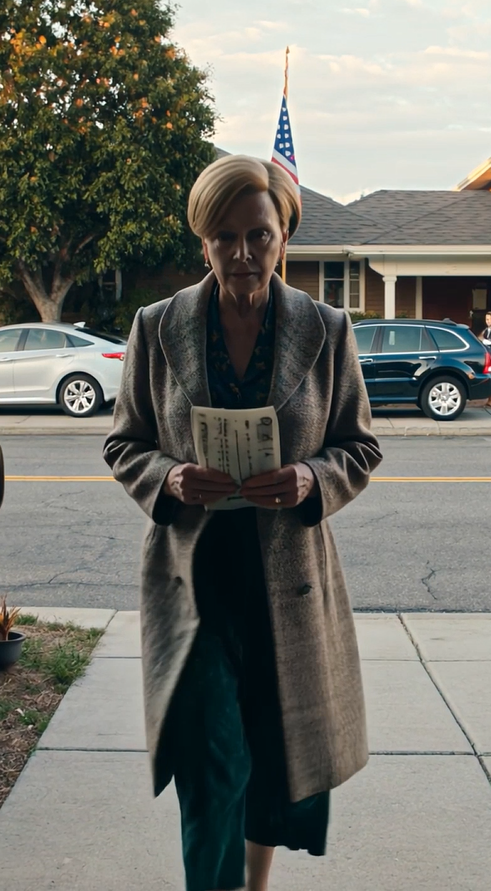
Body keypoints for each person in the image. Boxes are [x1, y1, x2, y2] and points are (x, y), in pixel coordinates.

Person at [103, 154, 383, 891]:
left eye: (257, 234)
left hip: (285, 581)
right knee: (210, 762)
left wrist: (309, 478)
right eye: (222, 236)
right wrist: (166, 476)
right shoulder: (156, 326)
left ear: (283, 233)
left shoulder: (325, 330)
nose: (241, 252)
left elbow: (358, 445)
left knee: (275, 748)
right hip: (194, 584)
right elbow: (122, 440)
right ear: (201, 241)